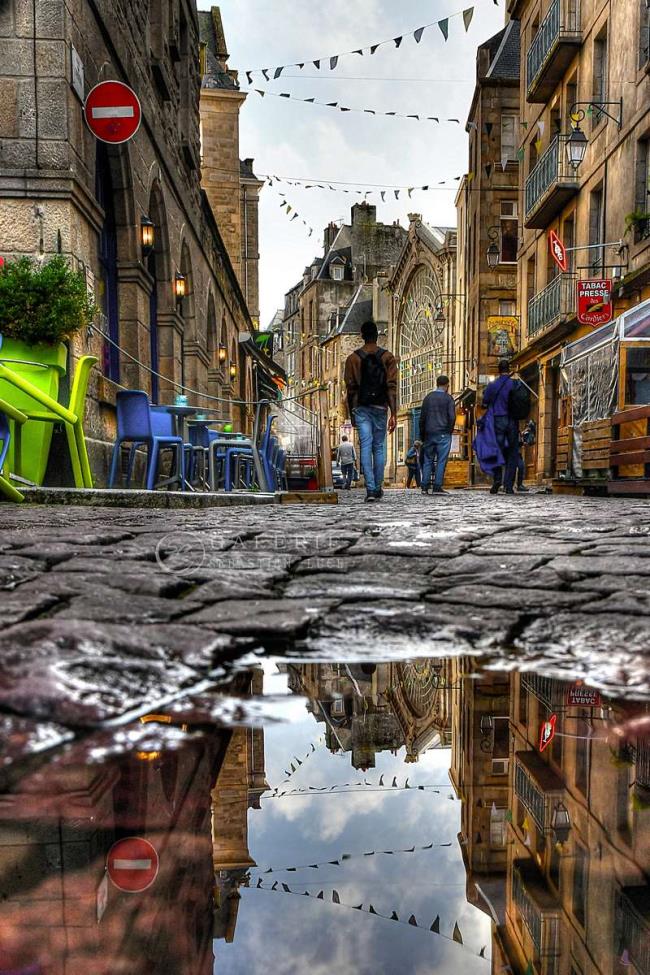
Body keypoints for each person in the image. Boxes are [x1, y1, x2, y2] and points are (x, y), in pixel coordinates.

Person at [344, 320, 398, 502]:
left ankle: (370, 489)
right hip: (380, 406)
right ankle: (378, 486)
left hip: (361, 407)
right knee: (378, 447)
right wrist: (393, 413)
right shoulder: (387, 357)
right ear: (377, 335)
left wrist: (351, 413)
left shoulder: (352, 359)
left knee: (365, 446)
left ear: (362, 335)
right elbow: (392, 387)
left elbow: (350, 388)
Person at [482, 359, 519, 495]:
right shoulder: (514, 383)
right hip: (512, 420)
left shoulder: (493, 385)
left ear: (498, 370)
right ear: (508, 369)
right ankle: (508, 485)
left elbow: (485, 401)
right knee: (512, 453)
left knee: (497, 451)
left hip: (497, 420)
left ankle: (497, 480)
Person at [419, 375, 457, 495]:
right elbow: (452, 417)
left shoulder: (428, 398)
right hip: (443, 433)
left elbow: (422, 418)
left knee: (428, 459)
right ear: (447, 385)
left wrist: (422, 435)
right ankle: (437, 486)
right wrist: (449, 430)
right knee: (441, 460)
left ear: (437, 383)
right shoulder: (448, 399)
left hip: (429, 433)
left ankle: (424, 486)